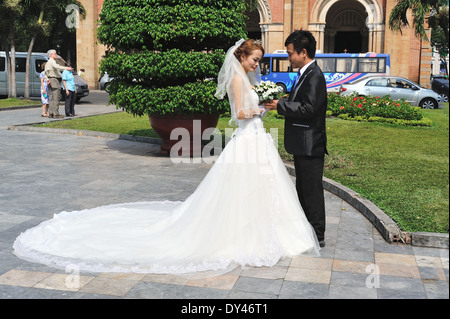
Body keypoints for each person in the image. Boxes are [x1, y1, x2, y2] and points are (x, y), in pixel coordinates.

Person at [13, 39, 320, 274]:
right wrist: (261, 106)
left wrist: (262, 102)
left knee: (261, 188)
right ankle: (248, 235)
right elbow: (240, 112)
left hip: (256, 140)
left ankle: (268, 232)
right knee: (244, 189)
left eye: (259, 61)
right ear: (242, 57)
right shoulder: (238, 80)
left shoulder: (248, 78)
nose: (257, 65)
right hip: (248, 136)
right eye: (255, 60)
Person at [264, 30, 328, 247]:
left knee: (311, 191)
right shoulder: (305, 73)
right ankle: (307, 231)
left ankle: (317, 235)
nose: (288, 58)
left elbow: (309, 108)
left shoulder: (315, 76)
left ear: (303, 52)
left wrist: (279, 105)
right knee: (302, 188)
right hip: (302, 143)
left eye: (290, 54)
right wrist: (284, 100)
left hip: (311, 144)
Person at [45, 49, 73, 118]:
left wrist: (47, 79)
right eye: (55, 54)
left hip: (50, 80)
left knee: (51, 97)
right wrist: (66, 68)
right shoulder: (52, 62)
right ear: (51, 55)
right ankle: (56, 114)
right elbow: (58, 67)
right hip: (54, 80)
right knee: (56, 97)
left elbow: (45, 73)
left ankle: (51, 113)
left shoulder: (48, 62)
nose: (56, 55)